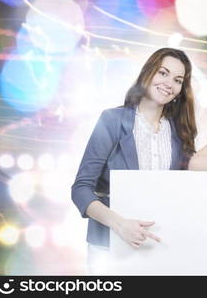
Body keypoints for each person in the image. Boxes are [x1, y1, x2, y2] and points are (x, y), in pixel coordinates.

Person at [71, 48, 197, 271]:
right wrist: (119, 224)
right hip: (109, 247)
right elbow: (81, 188)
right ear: (148, 73)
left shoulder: (180, 132)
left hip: (161, 246)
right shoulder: (112, 120)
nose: (169, 83)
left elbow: (186, 189)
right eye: (163, 73)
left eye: (178, 80)